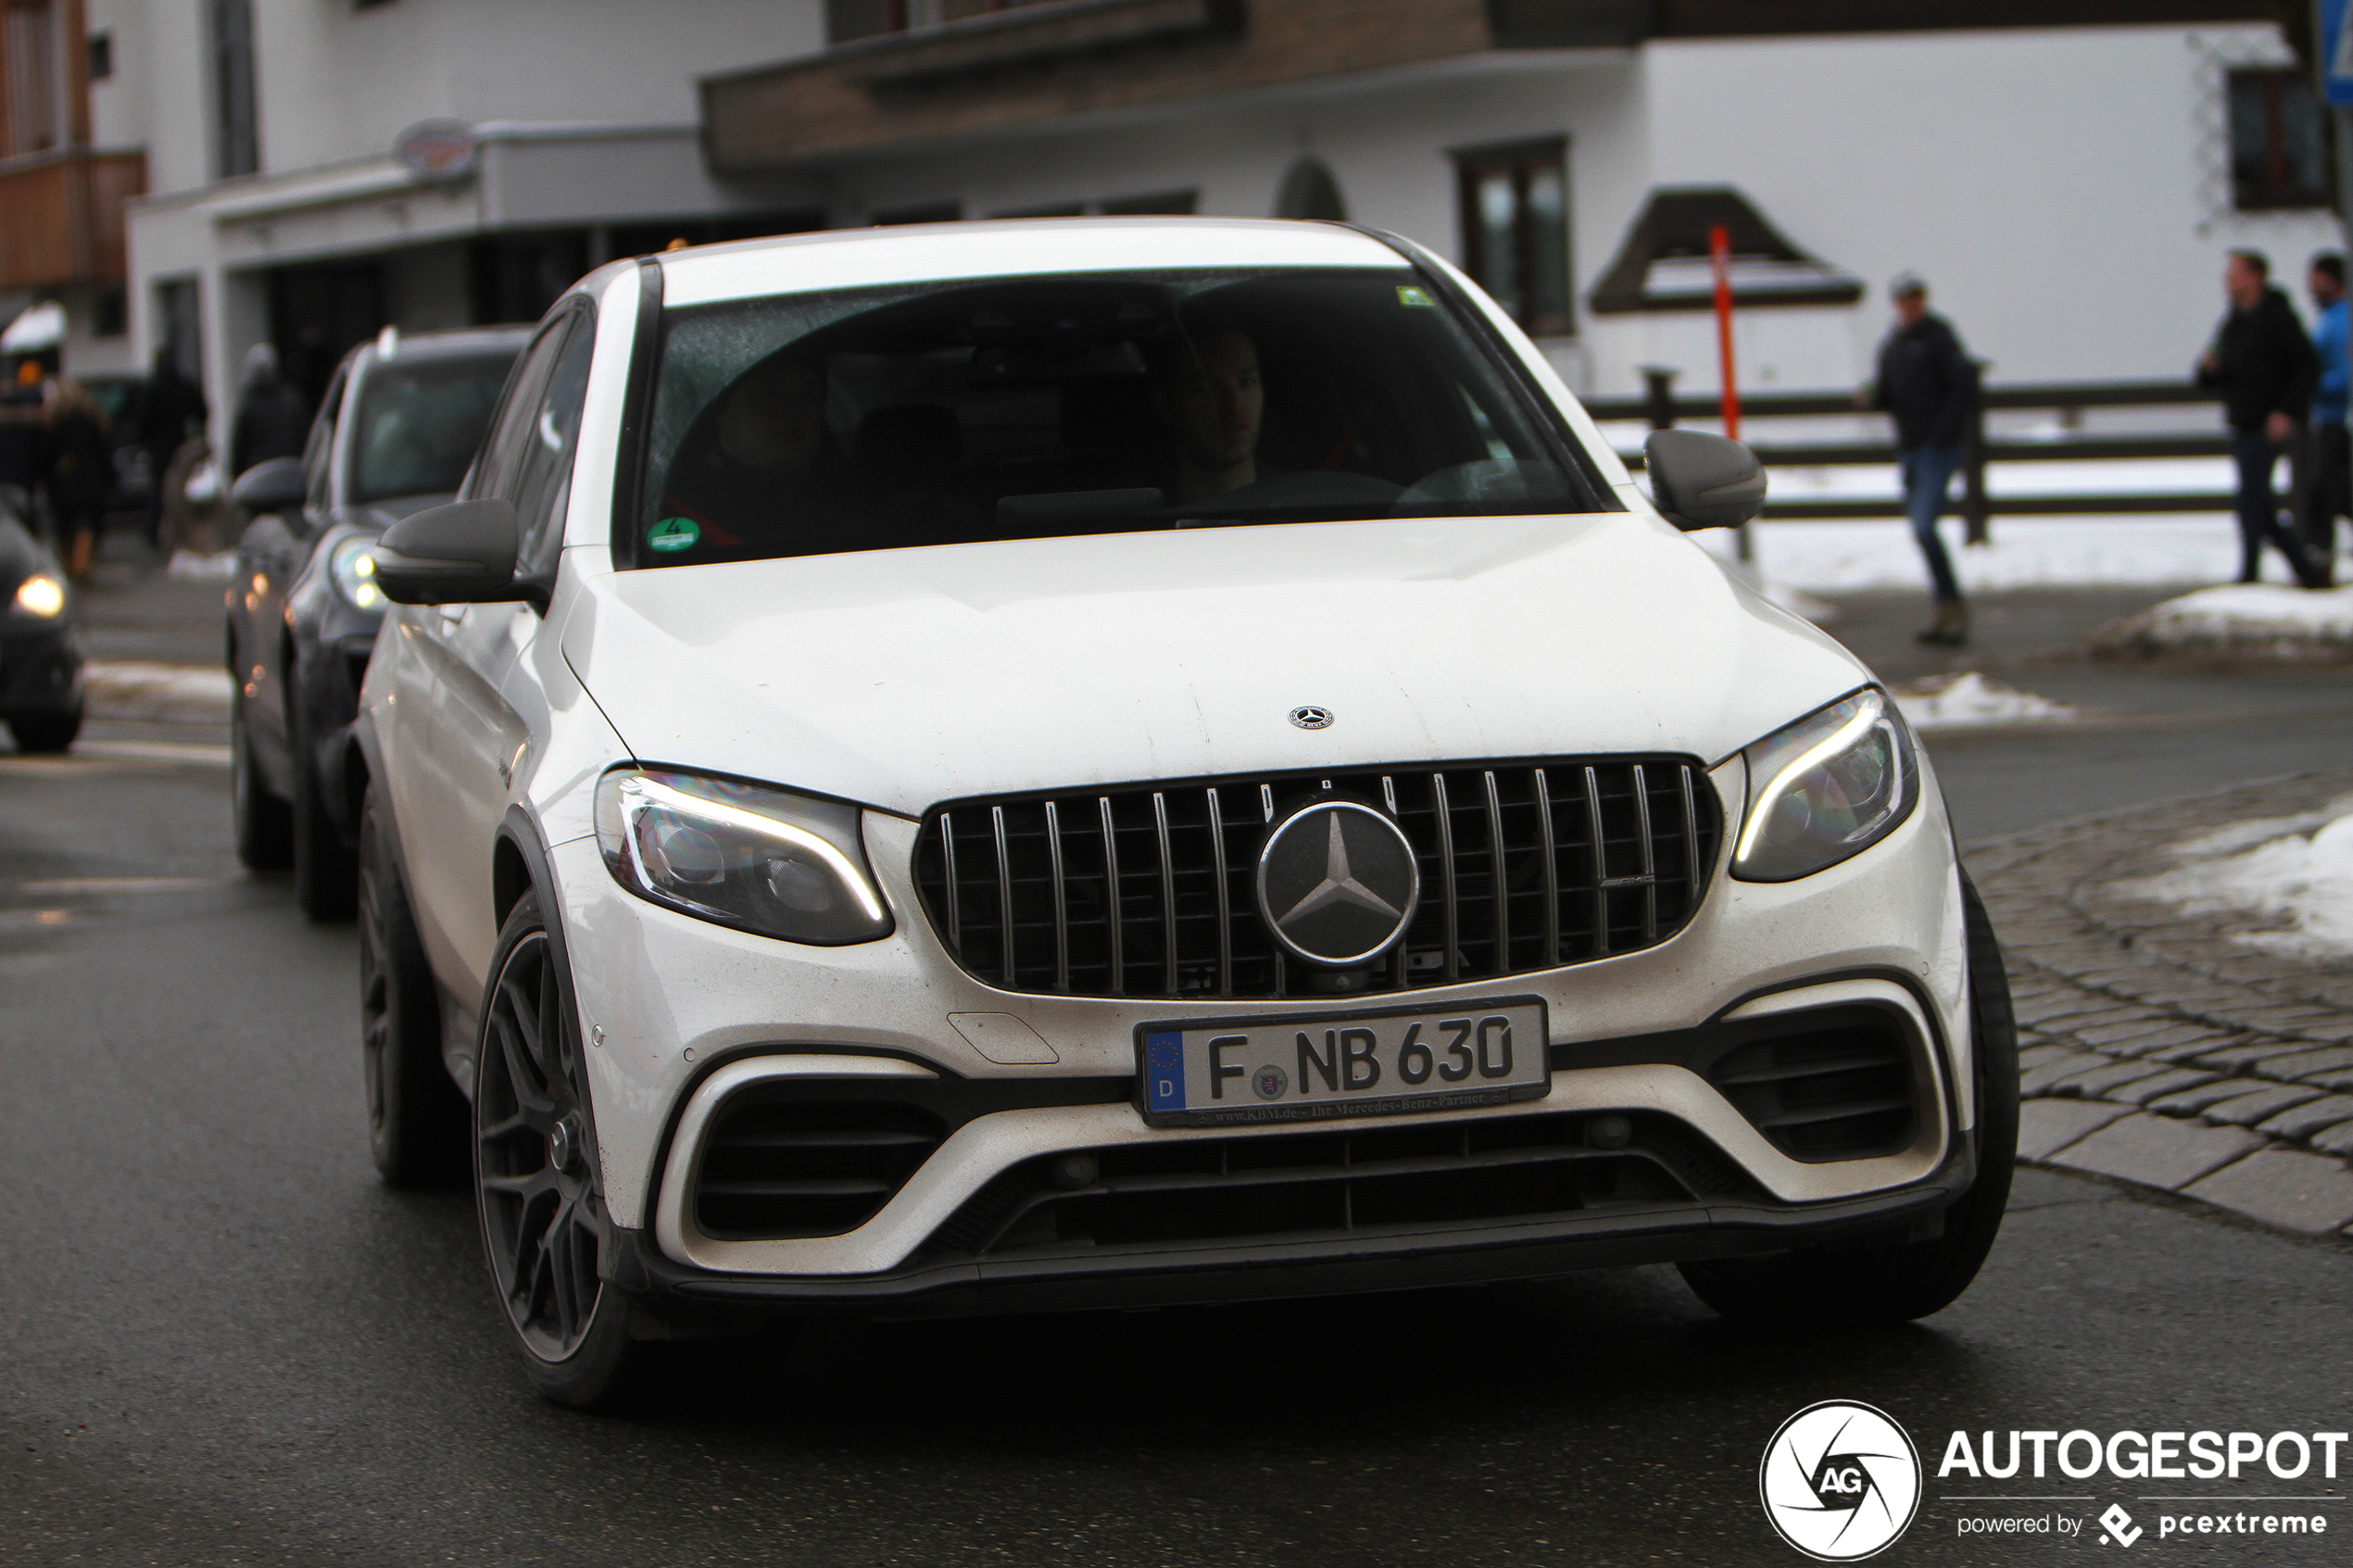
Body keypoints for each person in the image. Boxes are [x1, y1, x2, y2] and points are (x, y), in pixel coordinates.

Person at [2196, 249, 2326, 587]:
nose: (2228, 280)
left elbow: (2306, 367)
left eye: (2235, 273)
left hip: (2269, 423)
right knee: (2259, 504)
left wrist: (2287, 410)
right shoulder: (2234, 322)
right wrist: (2209, 370)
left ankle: (2249, 573)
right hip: (2242, 419)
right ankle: (2308, 572)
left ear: (2255, 278)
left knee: (2250, 500)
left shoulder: (2277, 319)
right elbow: (2219, 367)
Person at [657, 356, 868, 557]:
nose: (793, 408)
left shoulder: (864, 504)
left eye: (810, 396)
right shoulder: (670, 514)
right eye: (770, 393)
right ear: (721, 408)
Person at [1866, 273, 1978, 646]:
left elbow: (1964, 386)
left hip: (1936, 448)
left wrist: (1941, 433)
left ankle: (1951, 607)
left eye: (1916, 298)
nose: (1911, 305)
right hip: (1911, 448)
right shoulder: (1893, 344)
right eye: (1905, 299)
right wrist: (1872, 397)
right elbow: (1887, 391)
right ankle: (1946, 608)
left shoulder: (1939, 338)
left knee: (1924, 525)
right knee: (1920, 528)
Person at [1149, 323, 1265, 504]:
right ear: (1165, 404)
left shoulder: (1301, 500)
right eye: (1204, 389)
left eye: (1246, 381)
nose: (1233, 405)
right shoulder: (1136, 518)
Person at [37, 379, 112, 579]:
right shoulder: (91, 423)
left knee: (64, 526)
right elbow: (103, 453)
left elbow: (44, 458)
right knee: (86, 523)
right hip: (89, 482)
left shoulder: (52, 426)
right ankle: (82, 566)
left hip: (62, 483)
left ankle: (69, 567)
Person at [135, 347, 208, 549]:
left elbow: (142, 422)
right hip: (182, 447)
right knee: (183, 491)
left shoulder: (152, 388)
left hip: (159, 450)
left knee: (159, 491)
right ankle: (184, 532)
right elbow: (201, 412)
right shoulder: (184, 386)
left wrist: (145, 441)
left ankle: (157, 534)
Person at [2304, 252, 2347, 586]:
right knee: (2333, 492)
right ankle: (2320, 557)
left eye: (2315, 278)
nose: (2310, 285)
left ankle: (2321, 559)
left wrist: (2310, 388)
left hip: (2336, 420)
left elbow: (2346, 374)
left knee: (2326, 490)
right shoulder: (2329, 318)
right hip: (2327, 418)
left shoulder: (2341, 320)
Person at [227, 343, 310, 481]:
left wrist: (236, 476)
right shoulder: (292, 398)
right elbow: (304, 437)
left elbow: (239, 445)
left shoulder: (247, 402)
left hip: (256, 474)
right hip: (289, 472)